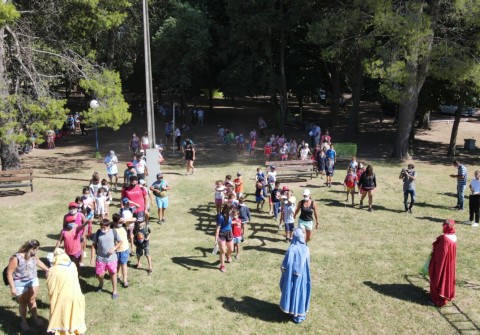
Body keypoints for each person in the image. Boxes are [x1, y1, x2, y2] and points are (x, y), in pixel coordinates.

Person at [6, 239, 49, 331]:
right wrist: (12, 287)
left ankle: (35, 318)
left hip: (33, 280)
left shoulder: (33, 255)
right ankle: (24, 321)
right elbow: (9, 273)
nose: (37, 251)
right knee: (23, 303)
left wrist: (47, 269)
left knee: (32, 300)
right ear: (30, 248)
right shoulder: (16, 258)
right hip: (20, 283)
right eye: (36, 249)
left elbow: (38, 262)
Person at [46, 248, 86, 335]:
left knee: (62, 316)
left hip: (63, 299)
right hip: (77, 296)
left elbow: (51, 287)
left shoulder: (52, 270)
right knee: (75, 315)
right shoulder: (72, 265)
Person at [279, 228, 311, 323]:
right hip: (302, 276)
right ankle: (297, 313)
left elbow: (285, 264)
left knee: (291, 291)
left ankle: (291, 311)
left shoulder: (292, 248)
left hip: (290, 277)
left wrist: (285, 271)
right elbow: (307, 263)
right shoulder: (306, 249)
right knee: (299, 293)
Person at [90, 219, 122, 299]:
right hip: (100, 258)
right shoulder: (98, 233)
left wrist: (114, 248)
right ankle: (101, 283)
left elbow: (120, 242)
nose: (102, 229)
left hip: (112, 258)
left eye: (104, 227)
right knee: (99, 274)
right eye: (101, 227)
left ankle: (114, 290)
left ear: (108, 226)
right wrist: (92, 257)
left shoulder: (113, 232)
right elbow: (93, 245)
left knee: (112, 274)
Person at [429, 219, 457, 307]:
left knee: (438, 277)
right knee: (447, 278)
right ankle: (445, 295)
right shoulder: (454, 237)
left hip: (442, 263)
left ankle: (438, 300)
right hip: (450, 262)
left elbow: (441, 254)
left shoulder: (445, 239)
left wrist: (434, 261)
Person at [112, 213, 131, 287]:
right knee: (117, 264)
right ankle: (118, 274)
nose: (120, 222)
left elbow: (134, 219)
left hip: (124, 249)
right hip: (116, 249)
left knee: (124, 264)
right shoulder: (112, 229)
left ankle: (125, 280)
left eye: (121, 221)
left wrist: (124, 220)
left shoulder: (124, 225)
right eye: (118, 221)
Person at [214, 204, 234, 273]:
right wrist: (216, 240)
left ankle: (228, 255)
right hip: (221, 234)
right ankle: (222, 265)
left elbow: (229, 224)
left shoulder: (230, 215)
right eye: (231, 210)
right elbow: (217, 229)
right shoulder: (220, 217)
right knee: (223, 250)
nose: (232, 211)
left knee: (231, 249)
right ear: (228, 210)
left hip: (229, 233)